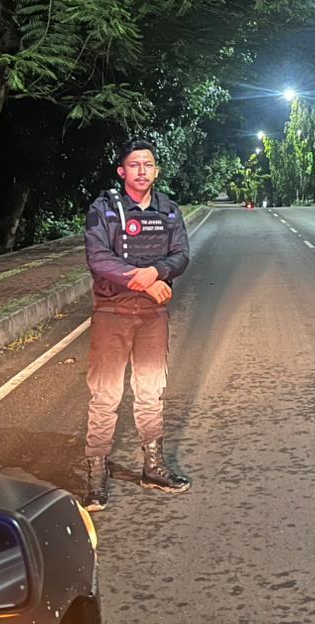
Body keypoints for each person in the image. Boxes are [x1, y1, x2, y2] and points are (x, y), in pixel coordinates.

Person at [82, 138, 191, 510]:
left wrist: (157, 271)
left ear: (156, 170)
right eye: (134, 164)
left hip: (152, 316)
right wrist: (142, 280)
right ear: (121, 171)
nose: (142, 171)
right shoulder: (104, 209)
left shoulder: (169, 210)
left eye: (148, 164)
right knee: (105, 394)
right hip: (112, 312)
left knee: (150, 391)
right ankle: (97, 472)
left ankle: (153, 467)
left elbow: (181, 255)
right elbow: (98, 258)